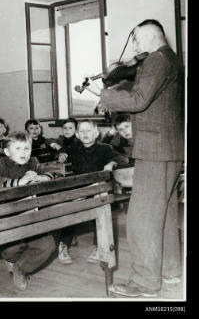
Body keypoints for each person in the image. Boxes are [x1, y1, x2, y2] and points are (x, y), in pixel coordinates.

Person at [86, 19, 184, 297]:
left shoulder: (155, 60)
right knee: (162, 214)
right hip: (170, 148)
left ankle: (144, 282)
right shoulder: (172, 60)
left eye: (138, 39)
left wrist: (102, 94)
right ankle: (170, 272)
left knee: (141, 218)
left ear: (152, 37)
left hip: (154, 149)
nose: (135, 46)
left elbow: (138, 100)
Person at [0, 131, 56, 290]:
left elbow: (52, 170)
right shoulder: (0, 164)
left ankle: (21, 268)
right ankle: (10, 259)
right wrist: (19, 182)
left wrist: (43, 177)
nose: (23, 153)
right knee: (13, 248)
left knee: (48, 246)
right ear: (7, 152)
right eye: (18, 149)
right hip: (9, 218)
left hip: (31, 215)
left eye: (27, 148)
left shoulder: (33, 163)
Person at [55, 119, 128, 265]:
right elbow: (62, 151)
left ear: (96, 133)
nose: (85, 134)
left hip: (97, 191)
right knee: (69, 209)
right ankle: (63, 244)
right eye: (81, 131)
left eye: (88, 131)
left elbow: (123, 159)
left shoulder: (105, 148)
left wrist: (112, 163)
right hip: (77, 191)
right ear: (77, 134)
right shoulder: (73, 148)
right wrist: (61, 155)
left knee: (100, 209)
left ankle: (98, 246)